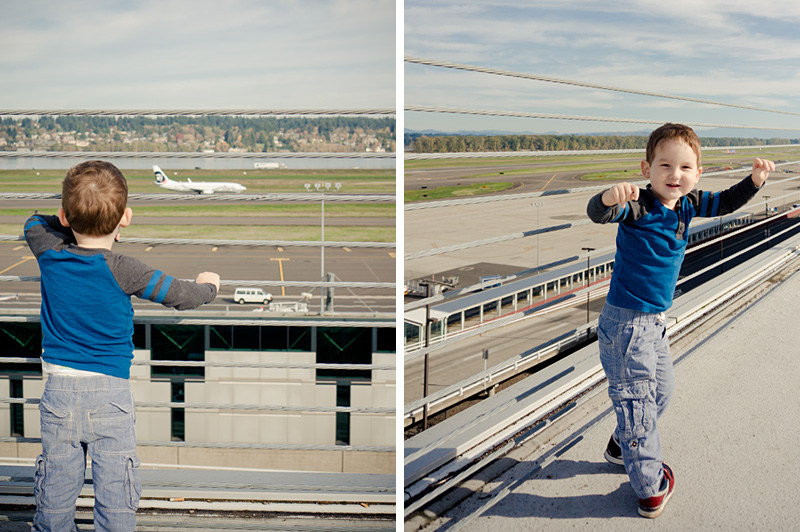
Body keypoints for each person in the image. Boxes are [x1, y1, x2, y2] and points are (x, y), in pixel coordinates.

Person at [586, 123, 774, 518]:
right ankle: (649, 488)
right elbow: (600, 213)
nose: (675, 175)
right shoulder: (638, 205)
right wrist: (607, 196)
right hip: (625, 325)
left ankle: (622, 446)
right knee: (638, 404)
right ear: (647, 168)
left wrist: (754, 181)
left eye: (685, 168)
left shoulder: (688, 204)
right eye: (665, 165)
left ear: (697, 173)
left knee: (660, 393)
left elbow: (725, 202)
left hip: (654, 323)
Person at [25, 161, 220, 532]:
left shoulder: (49, 251)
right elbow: (179, 295)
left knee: (56, 486)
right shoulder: (125, 269)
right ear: (125, 218)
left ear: (65, 216)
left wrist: (70, 219)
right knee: (116, 489)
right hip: (110, 394)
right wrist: (208, 287)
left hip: (59, 394)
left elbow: (33, 221)